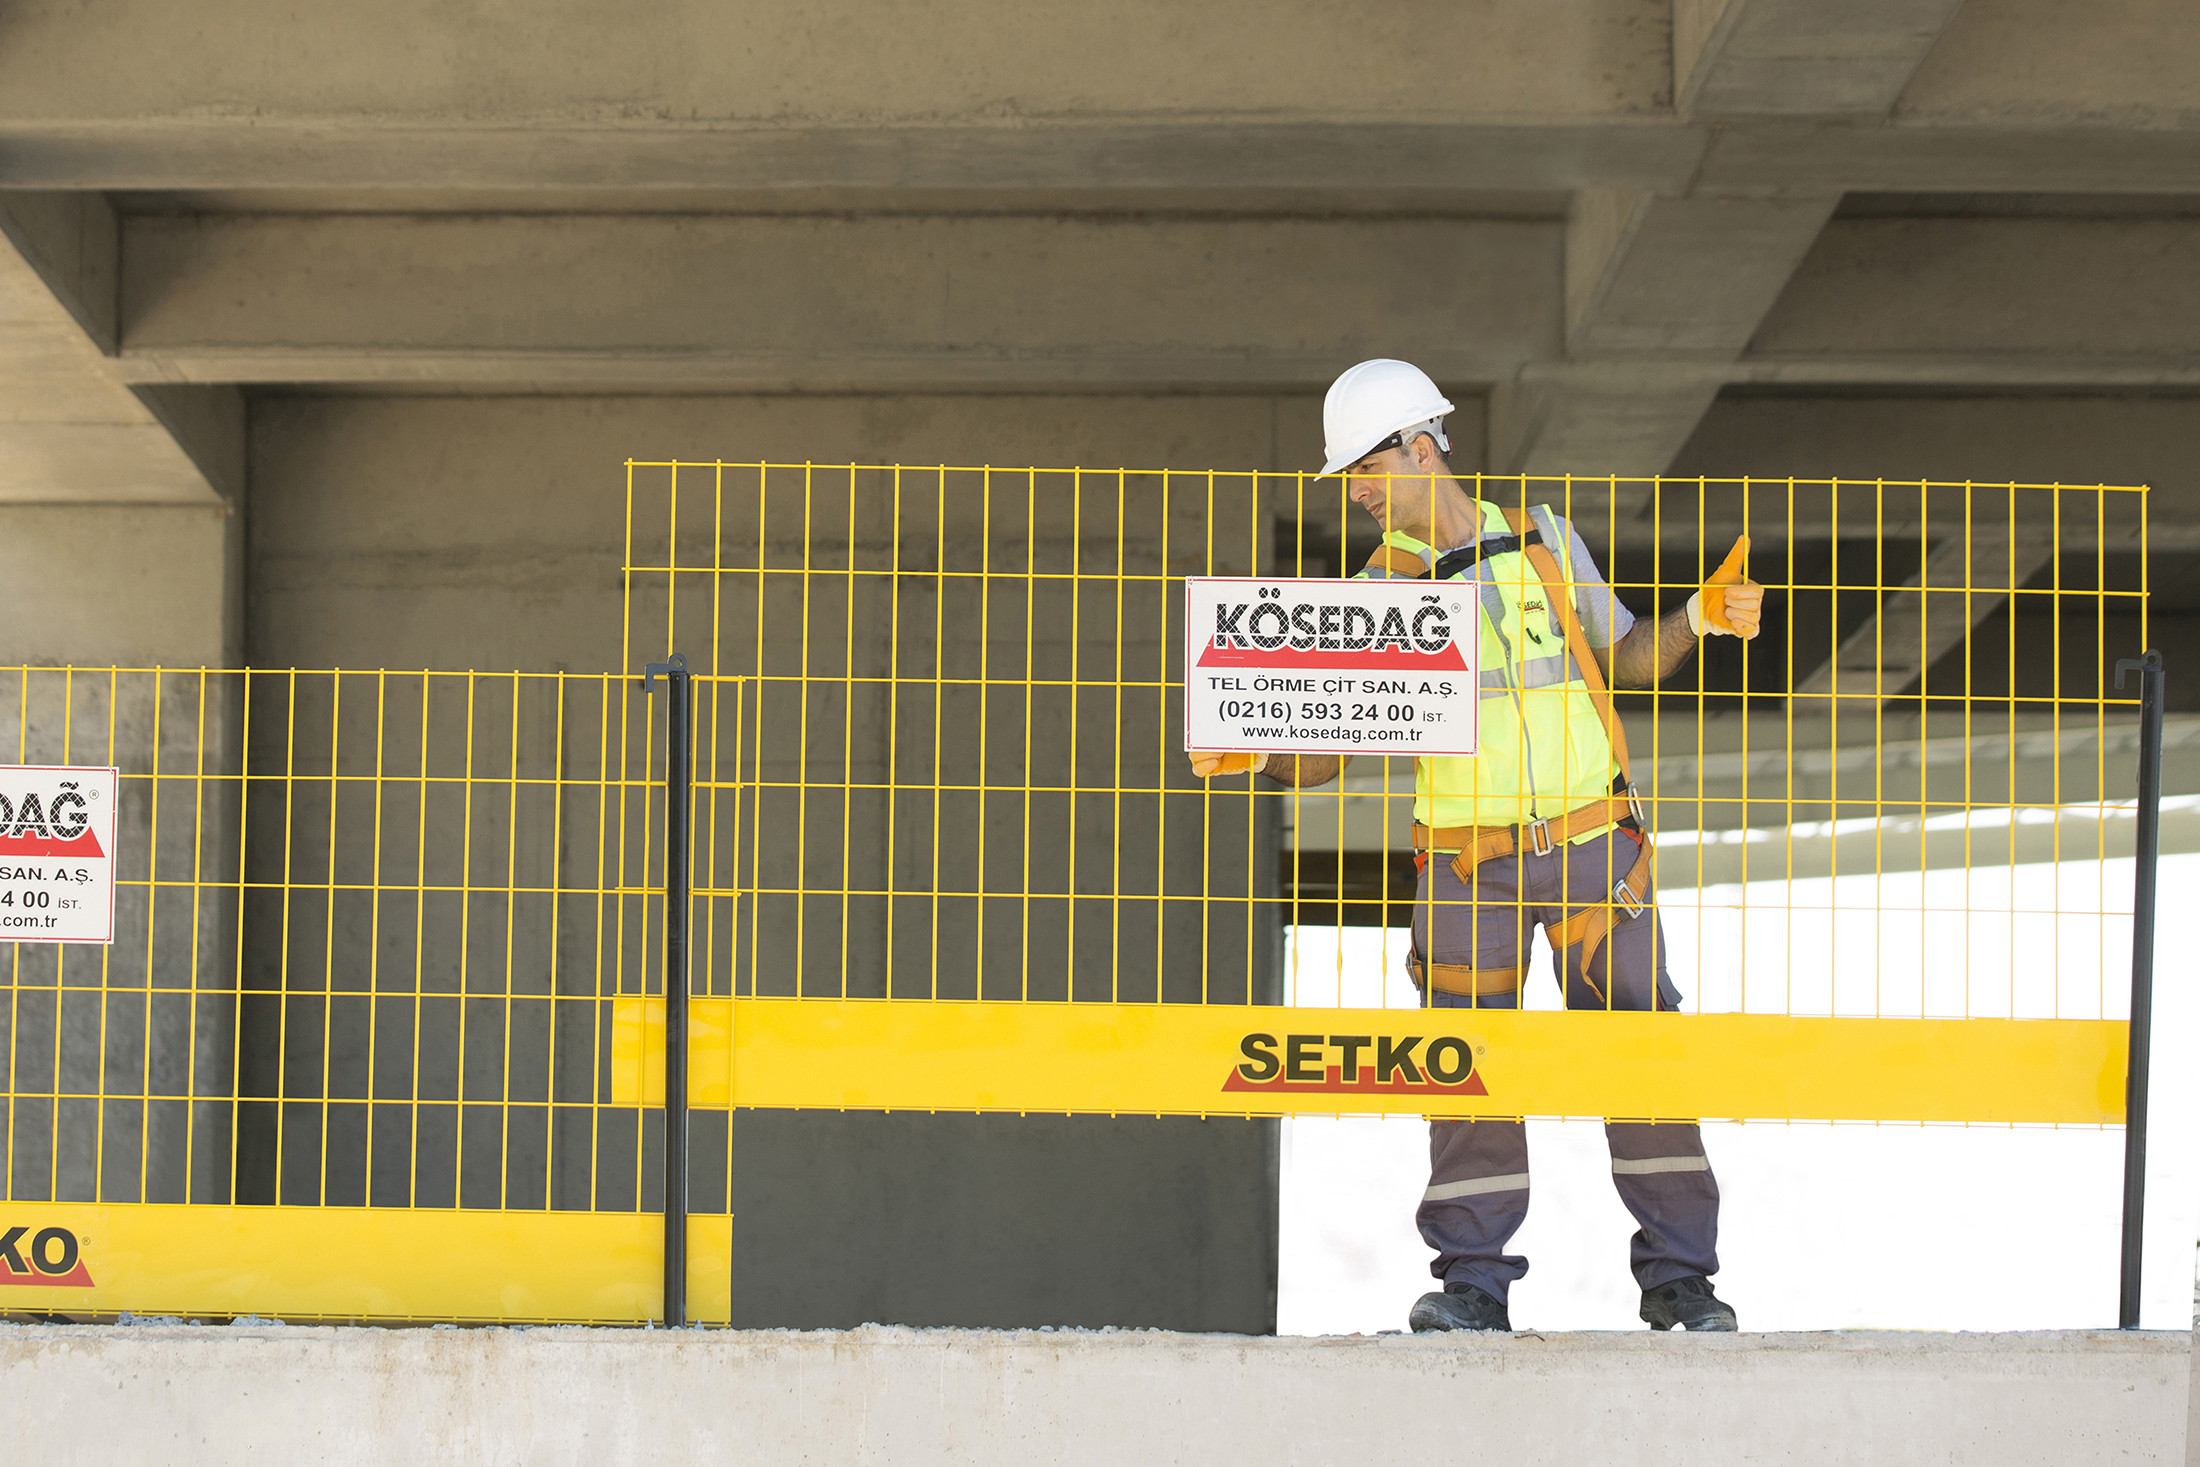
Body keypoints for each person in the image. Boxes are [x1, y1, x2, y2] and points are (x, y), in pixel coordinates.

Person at [1191, 359, 1763, 1333]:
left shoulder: (1541, 545)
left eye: (1366, 469)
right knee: (1458, 1063)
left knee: (1641, 1052)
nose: (1358, 493)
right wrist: (1257, 752)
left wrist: (1698, 620)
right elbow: (1323, 758)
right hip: (1465, 867)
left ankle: (1680, 1281)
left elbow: (1621, 655)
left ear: (1421, 447)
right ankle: (1471, 1283)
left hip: (1593, 848)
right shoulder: (1376, 593)